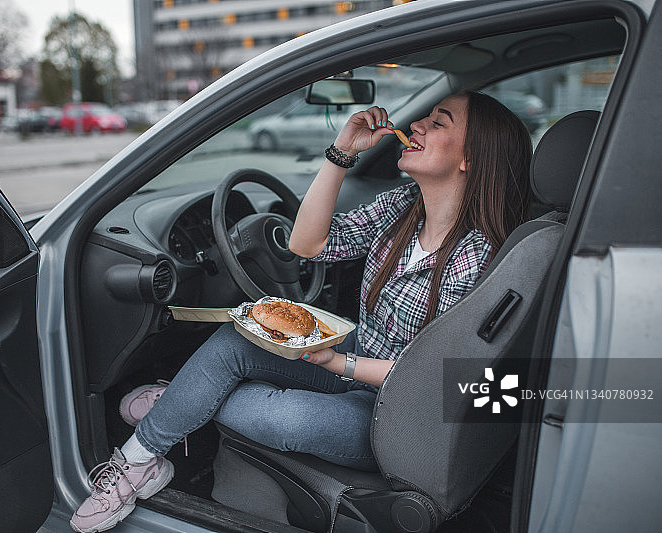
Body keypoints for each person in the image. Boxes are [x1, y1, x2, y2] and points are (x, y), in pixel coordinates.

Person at [70, 91, 532, 533]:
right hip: (361, 353)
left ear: (470, 157)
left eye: (438, 122)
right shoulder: (402, 207)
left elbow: (430, 378)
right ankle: (138, 462)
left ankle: (182, 402)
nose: (417, 125)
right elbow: (304, 244)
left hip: (397, 413)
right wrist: (341, 151)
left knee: (279, 417)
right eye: (424, 117)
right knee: (238, 337)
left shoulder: (478, 258)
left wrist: (340, 363)